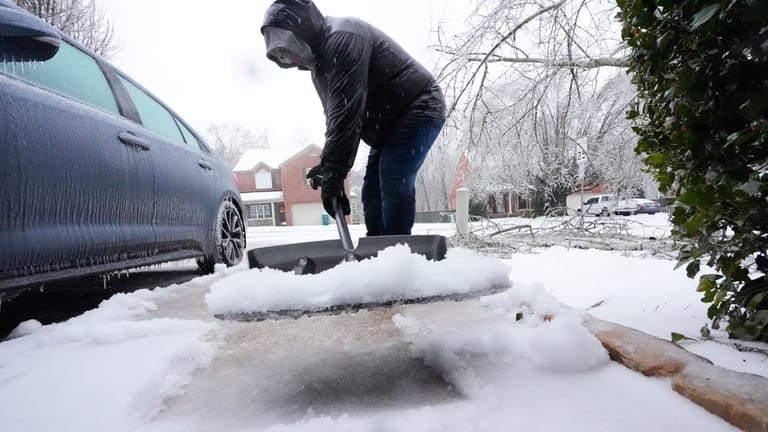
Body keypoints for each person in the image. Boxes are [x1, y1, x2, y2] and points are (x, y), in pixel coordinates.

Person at [261, 0, 445, 236]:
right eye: (284, 56)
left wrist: (336, 173)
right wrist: (329, 167)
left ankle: (399, 251)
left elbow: (348, 112)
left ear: (305, 29)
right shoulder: (320, 69)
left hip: (418, 105)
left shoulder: (344, 36)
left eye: (291, 47)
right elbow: (336, 119)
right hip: (387, 125)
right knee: (371, 191)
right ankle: (378, 251)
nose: (292, 59)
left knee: (392, 173)